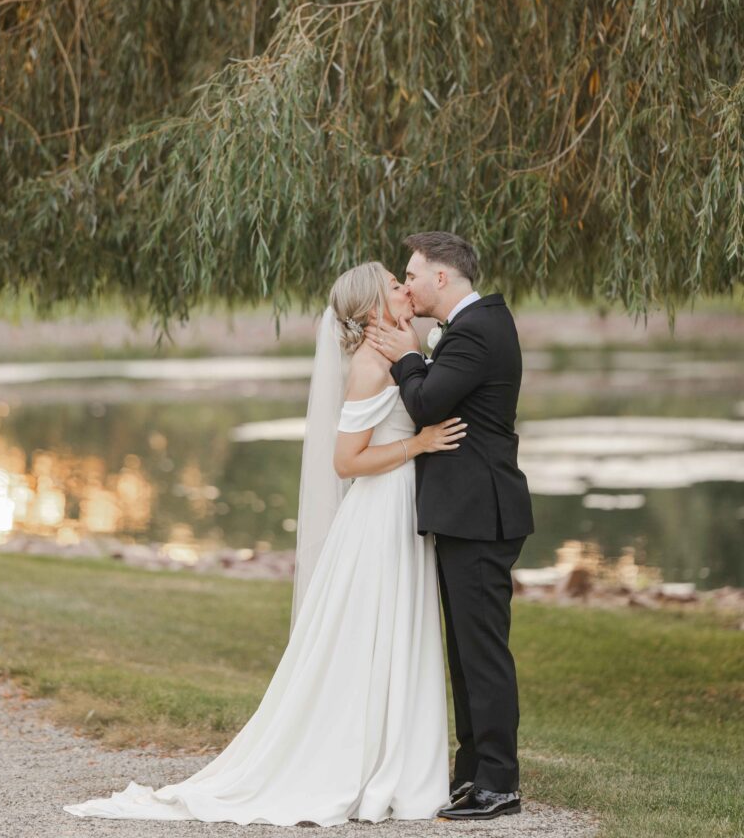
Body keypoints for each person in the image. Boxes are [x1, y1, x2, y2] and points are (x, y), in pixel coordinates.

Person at [62, 262, 464, 825]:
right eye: (396, 286)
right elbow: (346, 460)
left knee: (394, 631)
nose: (406, 289)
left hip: (400, 510)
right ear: (375, 309)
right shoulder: (371, 368)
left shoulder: (397, 355)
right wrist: (418, 445)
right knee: (371, 633)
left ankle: (394, 757)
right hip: (379, 515)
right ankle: (368, 761)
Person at [368, 232, 534, 821]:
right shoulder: (474, 327)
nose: (406, 284)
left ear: (442, 277)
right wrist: (415, 354)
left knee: (482, 652)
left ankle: (500, 784)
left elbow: (427, 403)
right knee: (465, 652)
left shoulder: (478, 330)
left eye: (412, 274)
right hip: (466, 513)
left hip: (481, 514)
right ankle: (474, 774)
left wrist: (406, 356)